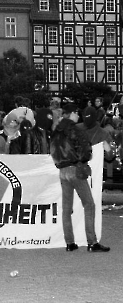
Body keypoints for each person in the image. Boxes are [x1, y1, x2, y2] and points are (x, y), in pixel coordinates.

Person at [50, 103, 110, 253]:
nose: (79, 116)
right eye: (77, 113)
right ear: (71, 114)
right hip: (75, 170)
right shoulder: (75, 130)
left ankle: (70, 243)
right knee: (89, 204)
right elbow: (85, 152)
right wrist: (84, 158)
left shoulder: (56, 131)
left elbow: (52, 151)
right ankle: (92, 242)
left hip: (62, 171)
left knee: (66, 208)